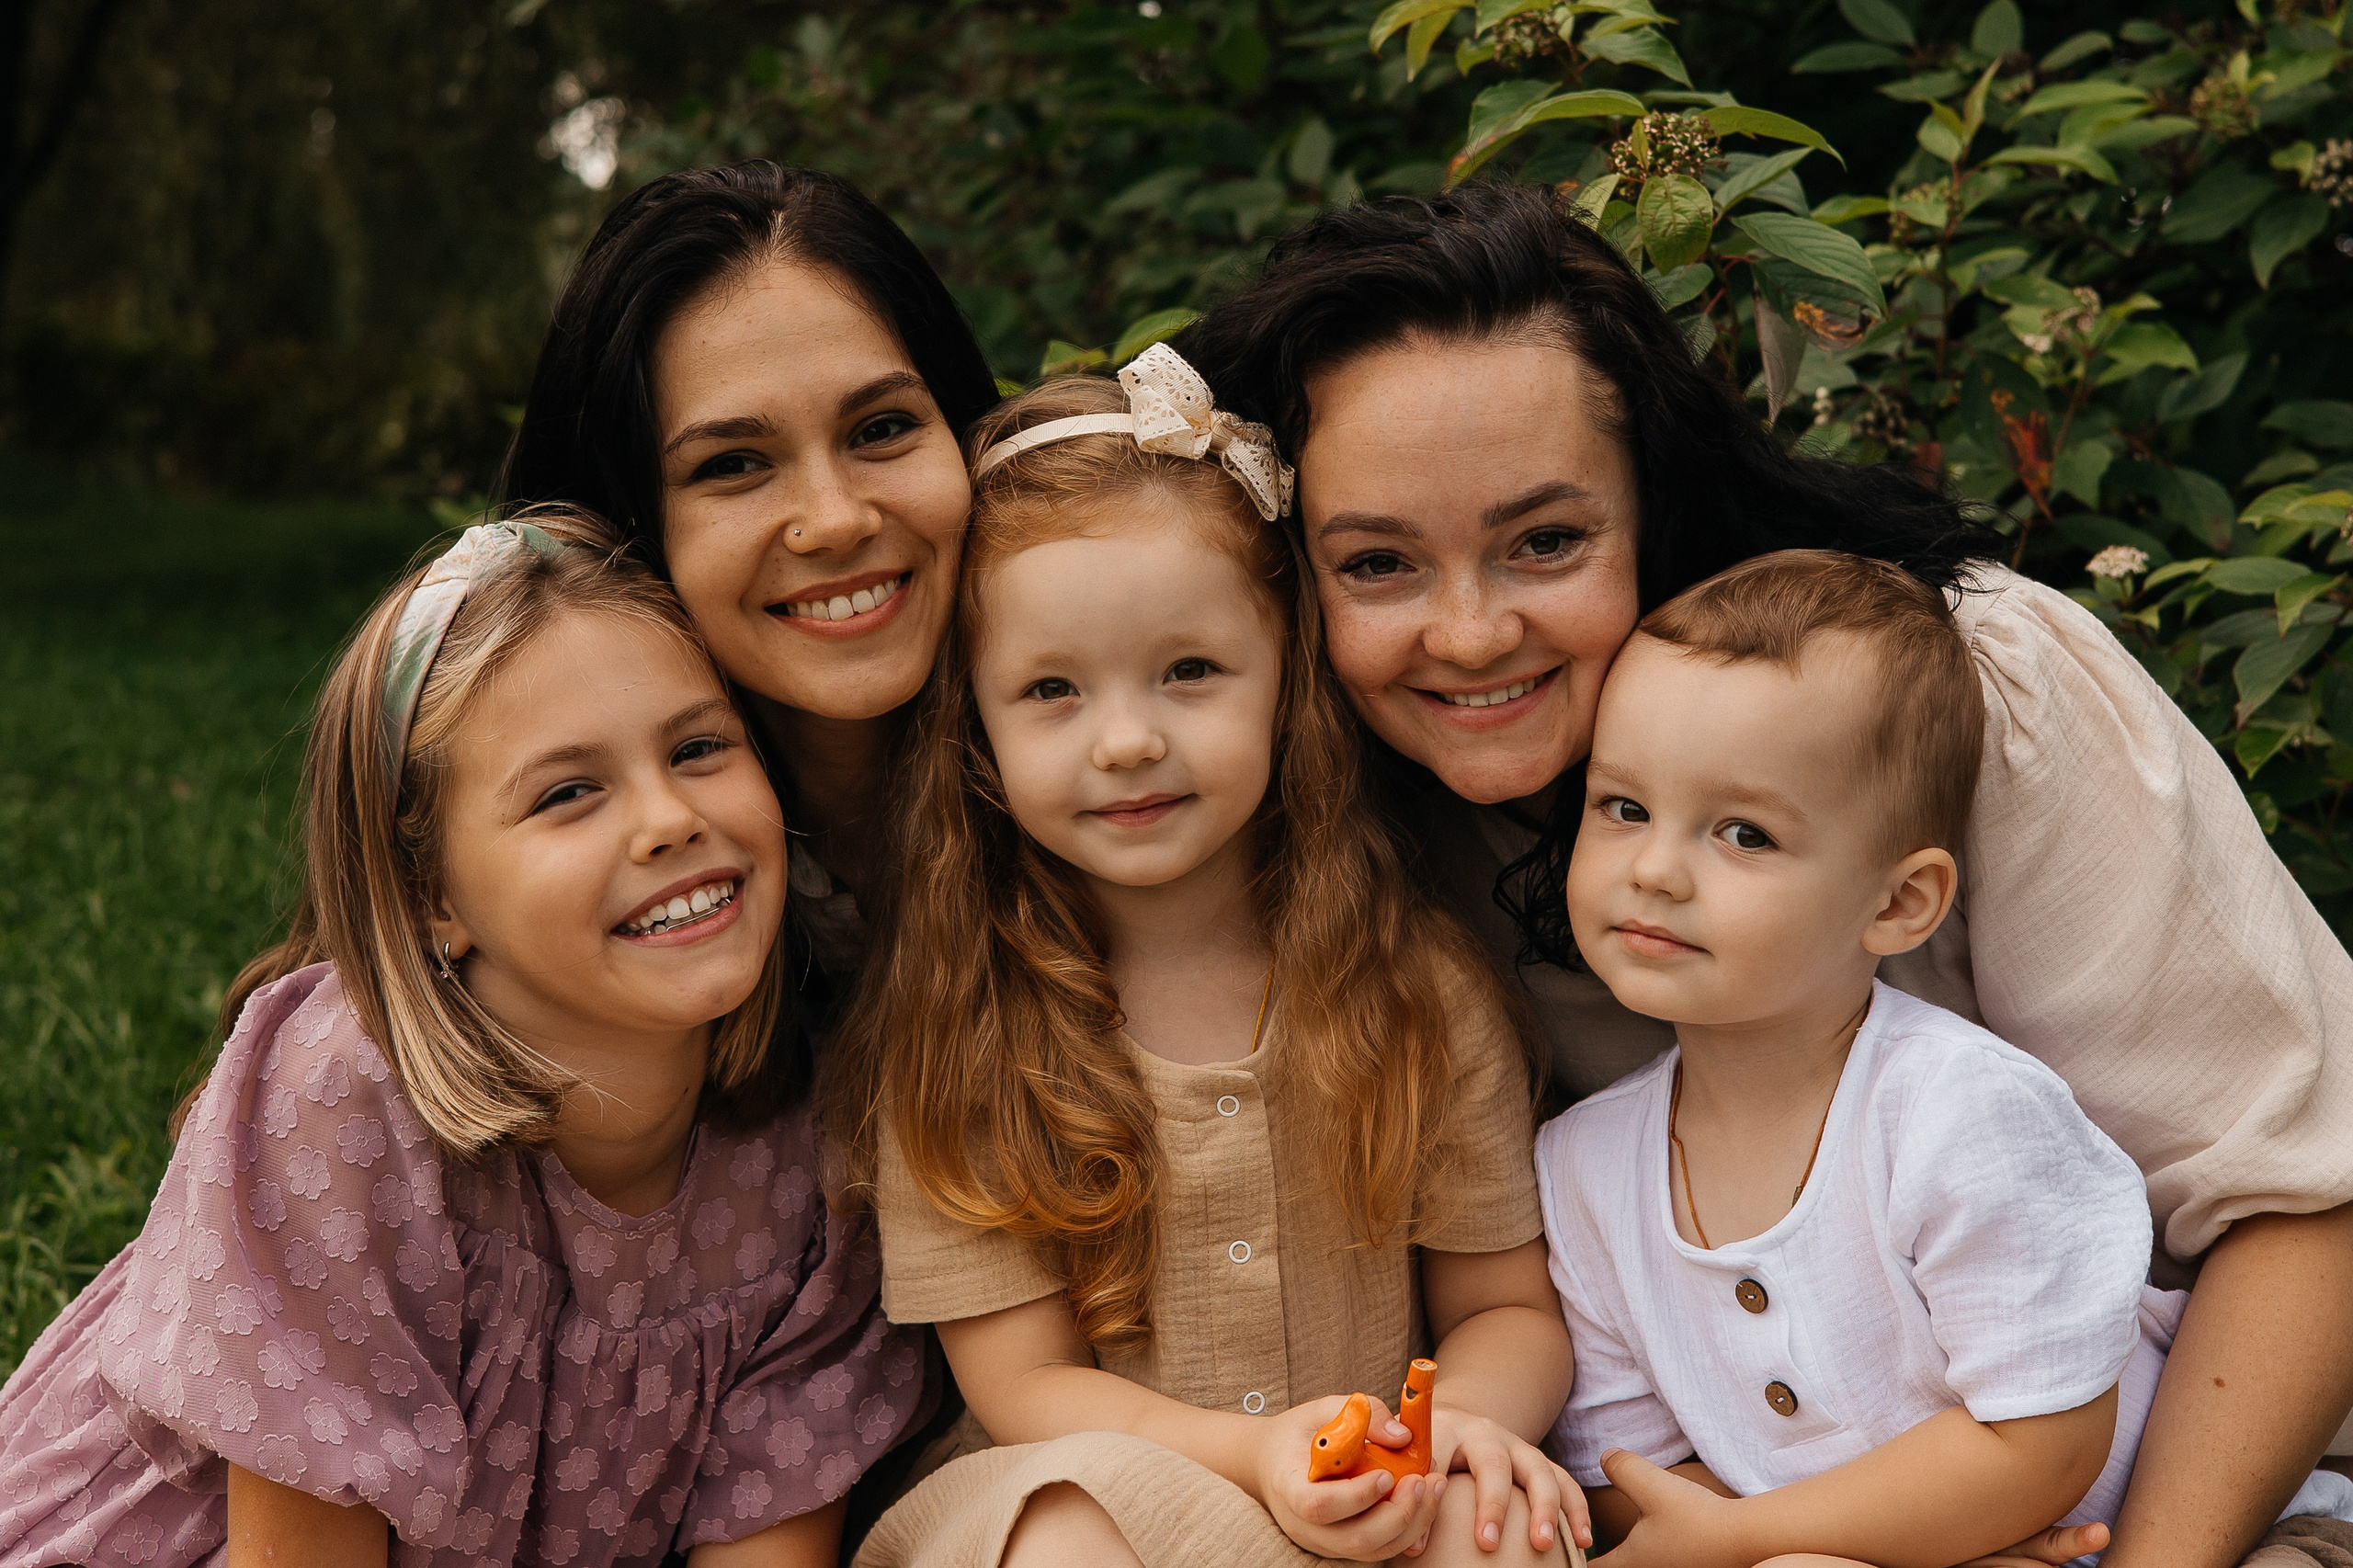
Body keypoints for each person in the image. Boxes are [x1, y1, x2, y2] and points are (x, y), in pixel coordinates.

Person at [1174, 182, 2353, 1567]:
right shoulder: (1335, 817)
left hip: (2203, 1499)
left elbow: (2305, 1202)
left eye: (1546, 541)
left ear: (1653, 506)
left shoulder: (1960, 700)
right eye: (1377, 564)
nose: (1474, 632)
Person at [0, 509, 925, 1567]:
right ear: (429, 894)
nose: (669, 816)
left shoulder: (811, 1149)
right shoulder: (340, 1097)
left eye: (699, 746)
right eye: (569, 791)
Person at [829, 351, 1586, 1568]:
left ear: (1285, 677)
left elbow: (1502, 1307)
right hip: (1105, 1505)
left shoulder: (1412, 990)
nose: (1128, 739)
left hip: (1365, 1495)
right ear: (975, 727)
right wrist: (1257, 1459)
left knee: (1498, 1525)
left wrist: (1445, 1440)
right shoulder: (968, 1026)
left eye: (1189, 671)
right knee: (1066, 1532)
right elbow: (1024, 1385)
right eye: (1052, 690)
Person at [1532, 551, 2353, 1565]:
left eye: (1743, 832)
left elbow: (2041, 1442)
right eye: (1622, 807)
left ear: (1897, 902)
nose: (1652, 869)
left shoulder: (1965, 1112)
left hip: (2211, 1540)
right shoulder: (1581, 1165)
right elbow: (1630, 1468)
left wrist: (1751, 1534)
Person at [499, 162, 1000, 1016]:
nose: (836, 519)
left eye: (881, 428)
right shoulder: (561, 892)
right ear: (626, 524)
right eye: (732, 465)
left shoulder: (1134, 768)